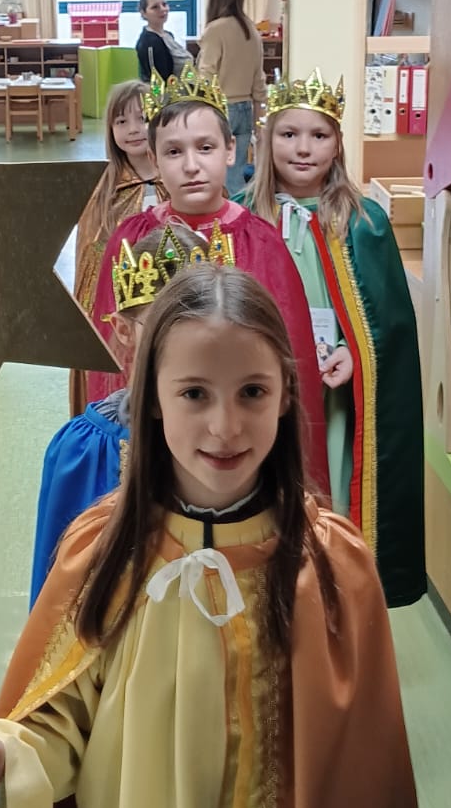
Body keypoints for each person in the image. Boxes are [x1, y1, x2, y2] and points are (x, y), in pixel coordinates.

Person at [0, 265, 436, 808]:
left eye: (252, 392)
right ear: (151, 400)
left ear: (285, 393)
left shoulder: (333, 571)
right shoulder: (105, 555)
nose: (225, 426)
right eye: (195, 393)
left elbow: (364, 801)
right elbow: (55, 723)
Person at [90, 65, 329, 491]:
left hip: (239, 439)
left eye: (205, 147)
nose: (191, 166)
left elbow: (292, 360)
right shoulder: (130, 239)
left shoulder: (263, 243)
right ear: (153, 157)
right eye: (173, 152)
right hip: (153, 433)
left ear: (230, 149)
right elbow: (110, 357)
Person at [247, 70, 426, 608]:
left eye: (318, 135)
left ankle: (332, 593)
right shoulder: (245, 217)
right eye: (288, 134)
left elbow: (389, 324)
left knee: (331, 483)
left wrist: (354, 353)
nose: (303, 148)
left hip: (333, 395)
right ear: (267, 140)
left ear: (338, 144)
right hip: (263, 387)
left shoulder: (363, 222)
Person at [32, 221, 229, 605]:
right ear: (124, 331)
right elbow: (54, 600)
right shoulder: (85, 451)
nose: (188, 344)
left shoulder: (234, 434)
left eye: (202, 323)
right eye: (165, 326)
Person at [70, 80, 164, 415]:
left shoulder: (178, 182)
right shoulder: (105, 192)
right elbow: (90, 261)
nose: (133, 129)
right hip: (120, 317)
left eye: (143, 118)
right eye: (121, 121)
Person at [197, 0, 265, 194]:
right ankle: (239, 210)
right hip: (245, 108)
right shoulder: (251, 30)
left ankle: (219, 213)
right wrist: (259, 116)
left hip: (220, 108)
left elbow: (206, 74)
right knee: (235, 172)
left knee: (213, 171)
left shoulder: (215, 30)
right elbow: (259, 78)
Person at [134, 0, 189, 83]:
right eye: (155, 7)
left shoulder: (168, 35)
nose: (163, 9)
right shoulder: (149, 42)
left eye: (164, 4)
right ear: (144, 13)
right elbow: (156, 79)